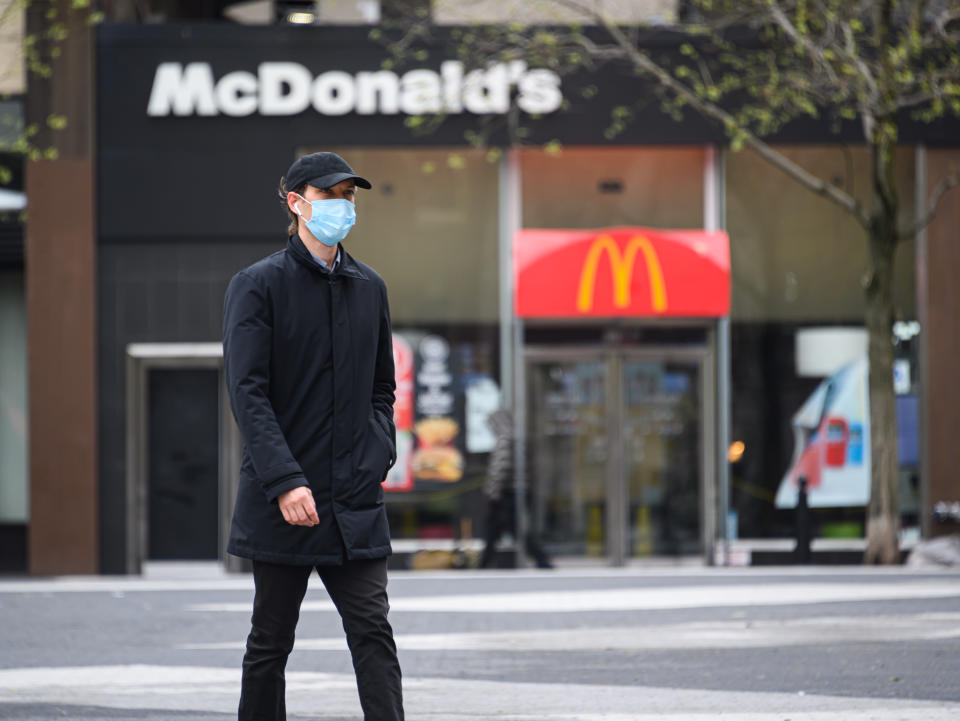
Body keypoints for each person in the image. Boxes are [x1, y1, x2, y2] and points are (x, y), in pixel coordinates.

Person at [222, 151, 403, 721]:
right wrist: (284, 480)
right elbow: (248, 393)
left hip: (353, 498)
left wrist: (376, 456)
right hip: (286, 501)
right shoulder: (257, 286)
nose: (343, 206)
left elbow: (382, 390)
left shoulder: (369, 287)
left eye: (350, 196)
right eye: (330, 196)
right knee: (271, 640)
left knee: (373, 631)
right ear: (297, 203)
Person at [480, 409, 553, 569]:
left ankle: (541, 558)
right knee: (505, 530)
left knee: (505, 529)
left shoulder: (505, 440)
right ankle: (485, 562)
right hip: (515, 492)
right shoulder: (515, 439)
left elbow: (500, 469)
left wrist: (493, 491)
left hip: (509, 493)